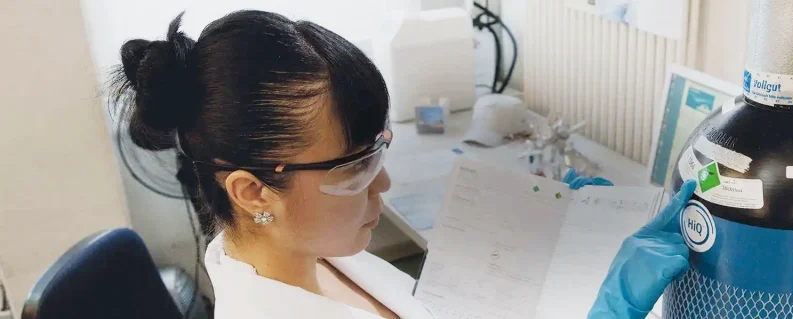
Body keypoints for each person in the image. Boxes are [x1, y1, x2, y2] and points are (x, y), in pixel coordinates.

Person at [112, 11, 697, 319]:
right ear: (253, 191)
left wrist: (540, 250)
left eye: (378, 149)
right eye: (354, 166)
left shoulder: (302, 257)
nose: (382, 184)